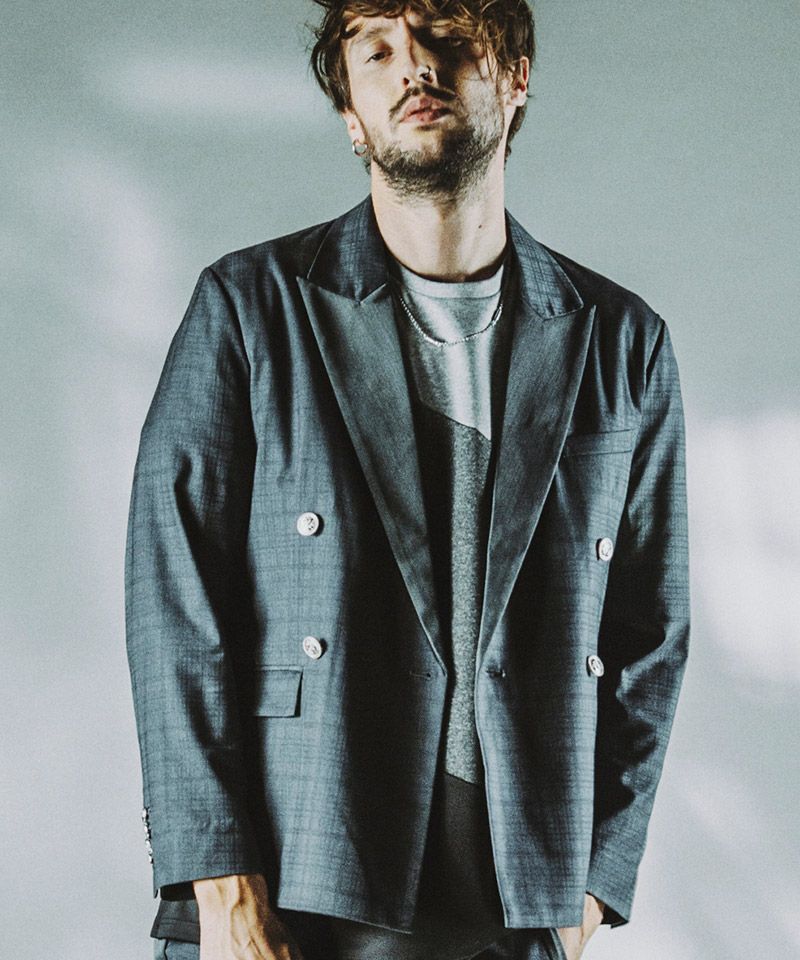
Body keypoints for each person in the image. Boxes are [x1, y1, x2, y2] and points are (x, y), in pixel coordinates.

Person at [124, 2, 691, 959]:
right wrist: (220, 883)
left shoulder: (620, 340)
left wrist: (594, 887)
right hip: (294, 881)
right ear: (351, 113)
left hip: (515, 903)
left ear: (514, 76)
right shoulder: (251, 308)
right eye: (377, 48)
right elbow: (172, 604)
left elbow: (651, 634)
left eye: (446, 36)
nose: (413, 65)